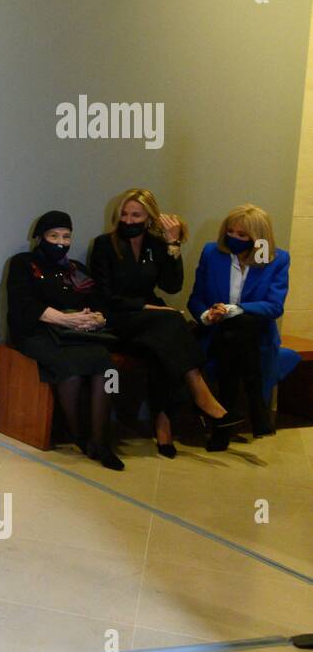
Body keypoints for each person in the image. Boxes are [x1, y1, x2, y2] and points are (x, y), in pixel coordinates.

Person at [88, 188, 237, 457]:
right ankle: (199, 395)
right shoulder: (104, 244)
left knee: (163, 348)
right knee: (170, 322)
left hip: (152, 320)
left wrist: (173, 244)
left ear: (149, 217)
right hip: (119, 318)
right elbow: (104, 296)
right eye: (124, 214)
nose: (129, 220)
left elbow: (172, 285)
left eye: (136, 215)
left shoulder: (155, 245)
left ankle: (163, 421)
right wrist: (146, 306)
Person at [7, 211, 123, 470]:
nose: (60, 241)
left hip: (76, 335)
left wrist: (96, 318)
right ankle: (80, 437)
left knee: (106, 368)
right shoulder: (23, 263)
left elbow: (97, 303)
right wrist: (62, 319)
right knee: (70, 370)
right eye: (54, 235)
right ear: (40, 237)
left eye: (66, 236)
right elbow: (22, 306)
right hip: (37, 333)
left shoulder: (76, 269)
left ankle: (101, 442)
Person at [187, 204, 291, 450]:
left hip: (254, 334)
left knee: (238, 327)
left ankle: (222, 427)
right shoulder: (213, 253)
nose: (234, 238)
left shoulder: (276, 259)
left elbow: (274, 307)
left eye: (242, 235)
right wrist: (206, 315)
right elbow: (195, 297)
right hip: (216, 331)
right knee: (232, 336)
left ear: (258, 239)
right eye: (231, 232)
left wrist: (235, 309)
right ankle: (257, 408)